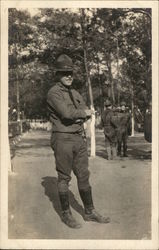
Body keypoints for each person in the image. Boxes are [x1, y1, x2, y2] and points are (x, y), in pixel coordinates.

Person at [47, 54, 110, 229]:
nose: (68, 76)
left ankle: (89, 211)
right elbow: (67, 114)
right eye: (64, 73)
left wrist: (80, 115)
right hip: (63, 138)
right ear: (58, 74)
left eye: (71, 73)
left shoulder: (74, 93)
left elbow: (79, 112)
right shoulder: (54, 93)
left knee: (83, 175)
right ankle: (66, 214)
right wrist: (82, 114)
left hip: (78, 138)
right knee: (64, 177)